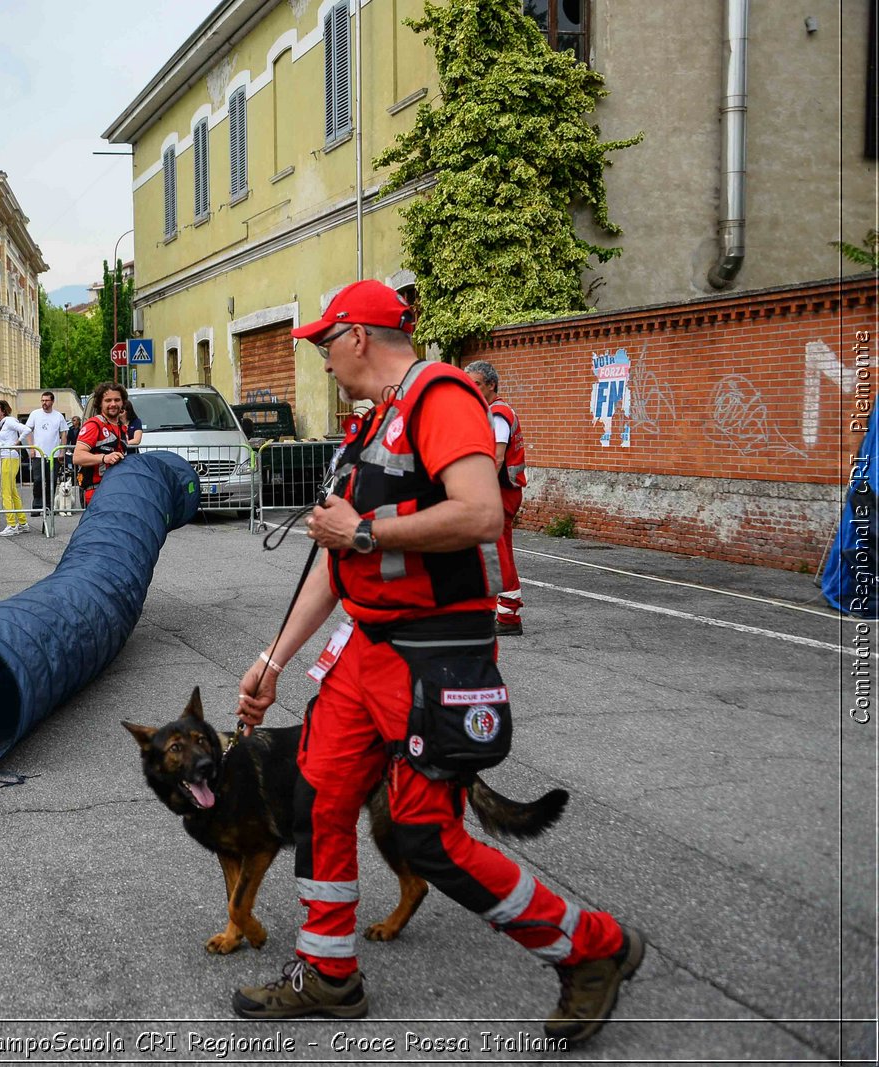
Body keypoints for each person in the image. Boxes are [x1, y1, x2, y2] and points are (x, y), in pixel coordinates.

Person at [230, 281, 641, 1045]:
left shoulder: (440, 394)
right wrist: (273, 659)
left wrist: (364, 534)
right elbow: (335, 552)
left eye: (325, 343)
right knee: (317, 801)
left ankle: (594, 949)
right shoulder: (377, 420)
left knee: (425, 836)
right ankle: (329, 971)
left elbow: (482, 513)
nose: (321, 360)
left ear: (358, 336)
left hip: (429, 658)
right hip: (365, 653)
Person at [466, 360, 528, 636]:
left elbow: (496, 458)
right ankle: (499, 611)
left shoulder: (498, 414)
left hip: (499, 493)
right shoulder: (491, 411)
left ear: (491, 385)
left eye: (476, 383)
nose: (471, 388)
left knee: (498, 552)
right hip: (500, 492)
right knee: (490, 551)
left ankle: (509, 617)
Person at [72, 383, 130, 506]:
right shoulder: (94, 425)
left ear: (123, 402)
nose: (113, 404)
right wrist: (104, 458)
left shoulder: (122, 428)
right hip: (96, 492)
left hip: (116, 491)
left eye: (117, 400)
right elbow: (77, 457)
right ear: (100, 403)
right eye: (108, 400)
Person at [24, 391, 69, 516]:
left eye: (47, 400)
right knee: (38, 480)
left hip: (53, 455)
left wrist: (62, 451)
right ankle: (37, 505)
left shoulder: (58, 416)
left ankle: (49, 506)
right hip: (39, 454)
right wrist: (31, 448)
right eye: (42, 400)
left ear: (52, 401)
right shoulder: (35, 414)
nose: (44, 403)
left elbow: (64, 434)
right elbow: (28, 431)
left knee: (52, 480)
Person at [0, 400, 32, 536]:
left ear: (3, 410)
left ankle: (12, 524)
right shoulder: (1, 423)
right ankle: (22, 522)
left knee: (6, 492)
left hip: (9, 457)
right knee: (12, 491)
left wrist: (17, 442)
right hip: (6, 457)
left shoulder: (9, 421)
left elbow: (26, 429)